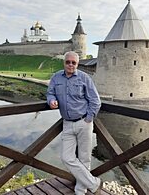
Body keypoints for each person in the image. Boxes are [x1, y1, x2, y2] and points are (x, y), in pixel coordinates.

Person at [46, 51, 102, 195]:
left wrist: (89, 118)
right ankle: (94, 184)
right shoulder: (56, 77)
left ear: (77, 64)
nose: (70, 65)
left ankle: (80, 190)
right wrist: (51, 100)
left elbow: (95, 101)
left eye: (74, 62)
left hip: (84, 122)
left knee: (84, 157)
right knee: (66, 157)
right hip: (67, 123)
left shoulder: (84, 78)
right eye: (68, 62)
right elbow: (50, 92)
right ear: (64, 62)